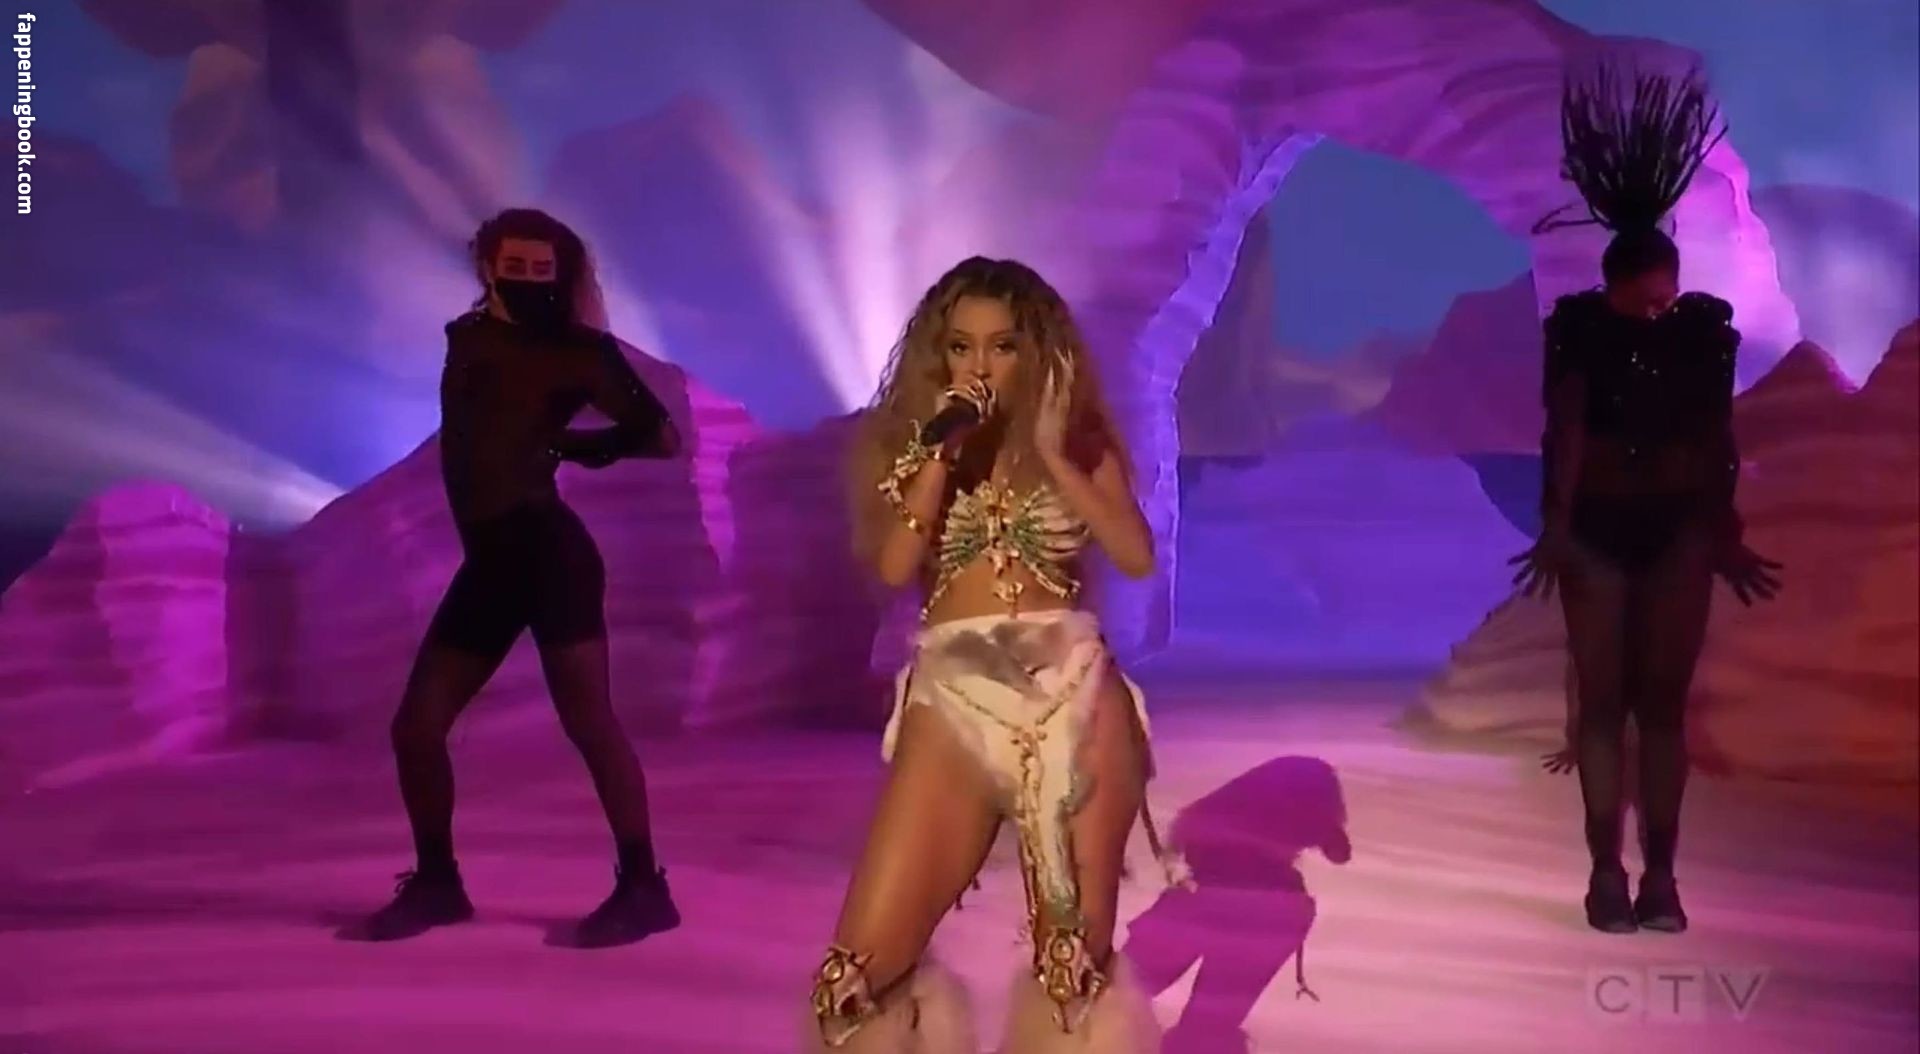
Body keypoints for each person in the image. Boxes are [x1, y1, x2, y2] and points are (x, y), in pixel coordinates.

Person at [807, 257, 1184, 1051]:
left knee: (1070, 973)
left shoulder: (1080, 445)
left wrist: (1054, 454)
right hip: (955, 695)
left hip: (1074, 696)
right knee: (852, 981)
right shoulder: (910, 448)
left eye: (1003, 345)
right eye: (961, 346)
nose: (979, 365)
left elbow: (1135, 555)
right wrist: (939, 455)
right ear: (937, 354)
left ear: (1036, 352)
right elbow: (893, 568)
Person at [354, 208, 682, 947]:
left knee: (589, 723)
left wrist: (582, 447)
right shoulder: (469, 337)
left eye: (544, 270)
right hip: (492, 562)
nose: (531, 281)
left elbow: (661, 437)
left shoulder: (576, 350)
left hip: (548, 555)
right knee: (416, 728)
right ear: (487, 267)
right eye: (516, 268)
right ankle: (437, 884)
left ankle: (644, 887)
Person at [1512, 67, 1782, 935]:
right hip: (1601, 531)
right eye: (1647, 295)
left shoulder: (1702, 331)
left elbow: (1715, 436)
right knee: (1604, 704)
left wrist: (1723, 529)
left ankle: (1659, 878)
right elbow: (1566, 428)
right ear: (1617, 283)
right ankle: (1606, 873)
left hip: (1675, 532)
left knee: (1658, 708)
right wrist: (1558, 524)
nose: (1660, 307)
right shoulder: (1582, 330)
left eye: (1666, 292)